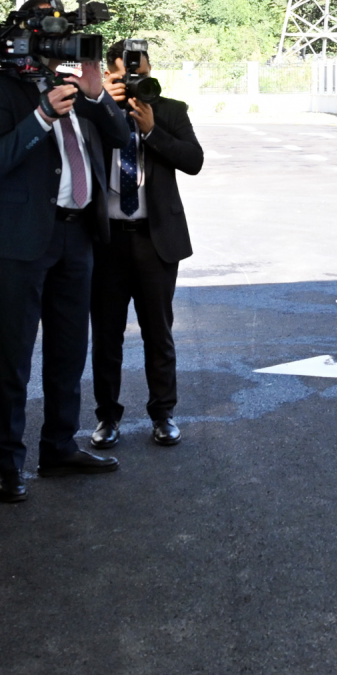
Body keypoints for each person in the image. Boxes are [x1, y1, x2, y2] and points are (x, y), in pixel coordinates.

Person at [0, 39, 133, 503]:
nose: (64, 45)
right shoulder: (0, 90)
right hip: (22, 239)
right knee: (16, 357)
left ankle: (59, 448)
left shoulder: (77, 88)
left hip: (77, 234)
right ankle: (8, 464)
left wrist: (96, 93)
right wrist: (43, 114)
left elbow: (122, 138)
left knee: (69, 351)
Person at [90, 42, 204, 449]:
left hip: (155, 240)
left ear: (152, 69)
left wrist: (152, 131)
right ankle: (106, 418)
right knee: (106, 335)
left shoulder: (171, 110)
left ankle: (163, 414)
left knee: (159, 331)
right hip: (106, 241)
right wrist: (102, 101)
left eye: (137, 73)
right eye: (121, 76)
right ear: (109, 74)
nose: (131, 82)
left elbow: (193, 160)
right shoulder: (95, 108)